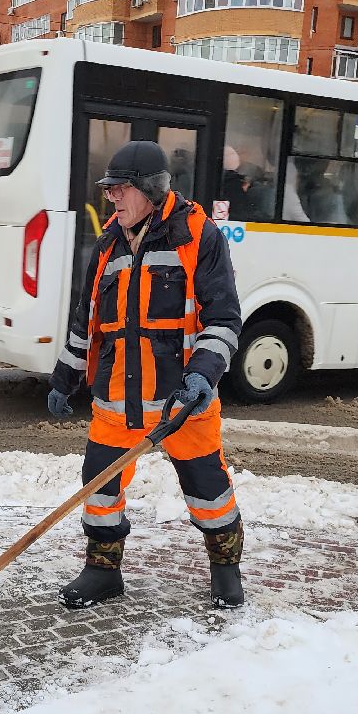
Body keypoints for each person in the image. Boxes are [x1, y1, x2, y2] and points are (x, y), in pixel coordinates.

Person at [47, 140, 246, 611]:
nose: (111, 197)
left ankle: (225, 568)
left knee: (209, 490)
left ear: (149, 190)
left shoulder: (197, 235)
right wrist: (65, 376)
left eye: (119, 188)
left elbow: (224, 319)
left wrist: (203, 374)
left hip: (182, 400)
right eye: (109, 189)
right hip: (116, 398)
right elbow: (88, 319)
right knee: (99, 487)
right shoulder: (109, 241)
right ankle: (102, 571)